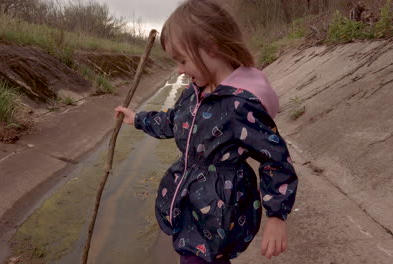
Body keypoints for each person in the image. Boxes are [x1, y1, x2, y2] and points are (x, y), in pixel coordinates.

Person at [114, 0, 298, 263]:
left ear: (211, 47)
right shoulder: (195, 92)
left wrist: (277, 215)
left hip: (218, 213)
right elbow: (174, 121)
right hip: (190, 203)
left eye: (182, 60)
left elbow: (275, 157)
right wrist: (138, 119)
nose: (179, 70)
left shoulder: (240, 104)